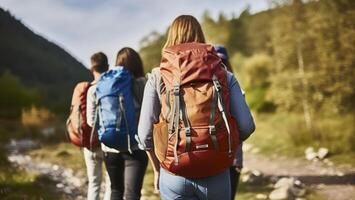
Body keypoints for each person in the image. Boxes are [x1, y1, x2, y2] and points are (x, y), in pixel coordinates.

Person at [137, 15, 255, 200]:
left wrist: (158, 168)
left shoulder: (158, 77)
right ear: (200, 36)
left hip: (174, 173)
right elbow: (247, 125)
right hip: (217, 171)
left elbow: (144, 135)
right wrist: (227, 147)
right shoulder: (224, 75)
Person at [87, 48, 148, 200]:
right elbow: (149, 115)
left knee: (116, 191)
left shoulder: (97, 87)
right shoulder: (141, 83)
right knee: (132, 194)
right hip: (134, 146)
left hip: (109, 147)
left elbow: (91, 121)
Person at [214, 44, 244, 200]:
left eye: (223, 62)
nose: (221, 66)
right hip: (226, 156)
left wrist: (238, 159)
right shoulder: (235, 85)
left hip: (217, 157)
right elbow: (244, 126)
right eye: (218, 62)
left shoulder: (203, 88)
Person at [84, 52, 111, 200]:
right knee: (110, 184)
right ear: (107, 67)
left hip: (91, 144)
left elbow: (90, 121)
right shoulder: (111, 87)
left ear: (91, 68)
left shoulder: (90, 90)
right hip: (108, 143)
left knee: (94, 183)